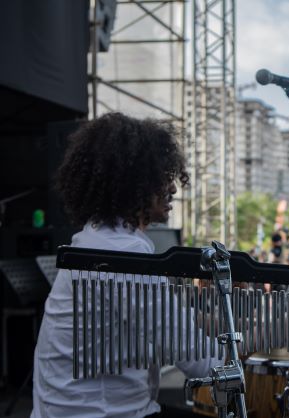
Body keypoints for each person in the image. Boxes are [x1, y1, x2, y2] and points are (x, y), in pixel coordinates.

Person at [31, 113, 222, 418]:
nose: (172, 189)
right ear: (133, 184)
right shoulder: (122, 251)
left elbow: (163, 319)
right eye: (161, 177)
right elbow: (190, 352)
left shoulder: (97, 238)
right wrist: (246, 370)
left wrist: (224, 325)